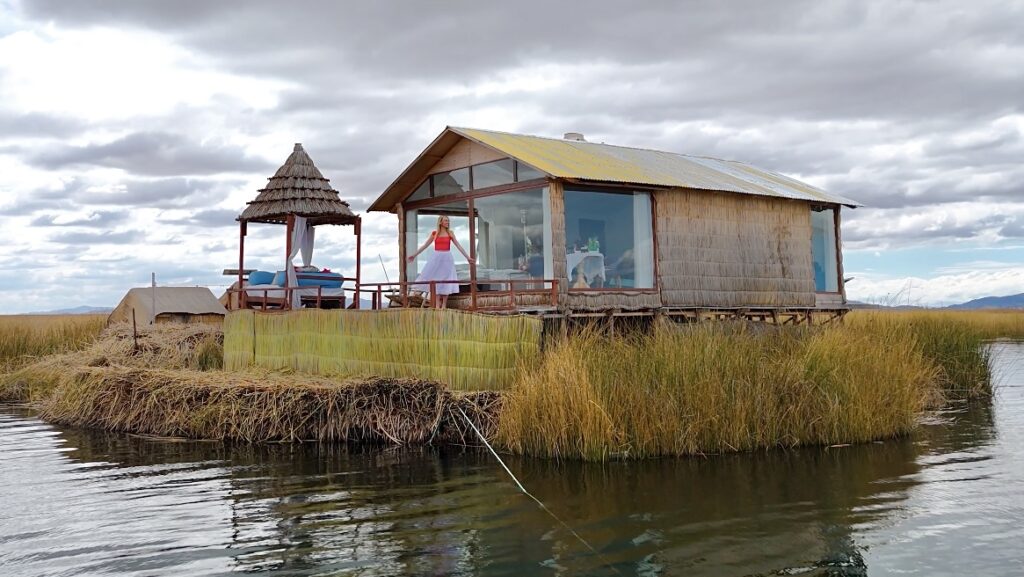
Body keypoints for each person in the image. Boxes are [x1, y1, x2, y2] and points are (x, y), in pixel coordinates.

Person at [407, 215, 474, 308]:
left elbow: (458, 246)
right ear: (440, 222)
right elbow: (425, 245)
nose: (447, 222)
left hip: (447, 258)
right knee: (436, 280)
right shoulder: (435, 233)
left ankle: (444, 305)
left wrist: (467, 257)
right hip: (436, 258)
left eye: (448, 221)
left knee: (447, 279)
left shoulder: (450, 233)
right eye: (446, 221)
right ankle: (437, 304)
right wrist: (414, 255)